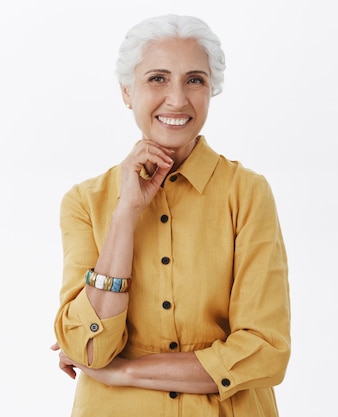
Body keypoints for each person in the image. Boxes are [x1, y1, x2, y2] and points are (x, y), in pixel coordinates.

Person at [51, 14, 290, 417]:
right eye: (157, 78)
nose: (177, 99)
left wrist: (125, 372)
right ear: (127, 91)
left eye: (194, 80)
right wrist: (125, 213)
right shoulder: (84, 201)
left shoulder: (247, 193)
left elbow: (264, 352)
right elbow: (89, 347)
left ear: (211, 89)